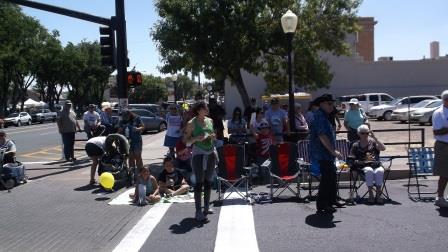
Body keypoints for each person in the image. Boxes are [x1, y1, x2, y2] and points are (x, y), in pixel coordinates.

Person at [309, 94, 345, 213]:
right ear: (322, 104)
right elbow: (322, 135)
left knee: (332, 177)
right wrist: (333, 151)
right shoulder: (319, 116)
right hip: (322, 153)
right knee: (327, 178)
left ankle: (331, 200)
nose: (332, 106)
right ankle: (322, 204)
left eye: (332, 104)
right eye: (329, 104)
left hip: (326, 153)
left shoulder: (325, 115)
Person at [183, 101, 217, 222]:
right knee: (199, 182)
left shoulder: (210, 121)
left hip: (210, 153)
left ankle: (206, 208)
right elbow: (185, 142)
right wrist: (196, 138)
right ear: (199, 110)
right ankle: (198, 211)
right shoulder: (191, 123)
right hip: (198, 154)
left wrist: (213, 136)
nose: (207, 109)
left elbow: (214, 135)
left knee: (208, 181)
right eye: (205, 107)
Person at [350, 124, 386, 204]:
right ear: (358, 134)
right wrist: (358, 162)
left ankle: (378, 194)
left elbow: (383, 148)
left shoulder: (373, 142)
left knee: (379, 171)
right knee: (369, 171)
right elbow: (351, 157)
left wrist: (375, 138)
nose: (365, 135)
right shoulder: (355, 145)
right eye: (363, 133)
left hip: (376, 164)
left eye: (367, 133)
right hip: (363, 165)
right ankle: (370, 194)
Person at [432, 90, 448, 208]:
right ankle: (440, 197)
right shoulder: (439, 113)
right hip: (444, 145)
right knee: (444, 173)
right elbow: (436, 132)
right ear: (445, 100)